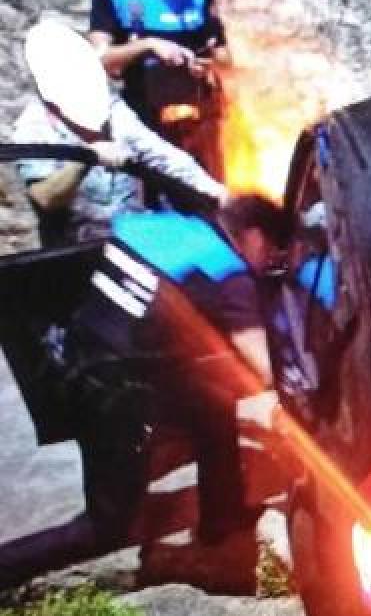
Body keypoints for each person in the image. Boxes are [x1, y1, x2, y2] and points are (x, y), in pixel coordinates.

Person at [0, 195, 283, 593]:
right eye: (271, 250)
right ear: (253, 236)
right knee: (105, 528)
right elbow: (264, 369)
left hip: (79, 353)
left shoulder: (157, 226)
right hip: (117, 392)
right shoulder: (227, 271)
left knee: (214, 405)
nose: (268, 261)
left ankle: (223, 521)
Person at [13, 19, 226, 247]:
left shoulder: (111, 109)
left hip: (133, 238)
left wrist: (217, 192)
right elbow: (44, 198)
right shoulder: (34, 126)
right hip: (79, 251)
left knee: (206, 247)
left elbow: (161, 155)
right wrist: (84, 161)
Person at [87, 0, 232, 178]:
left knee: (210, 200)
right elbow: (102, 61)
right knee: (154, 201)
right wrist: (149, 46)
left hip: (200, 121)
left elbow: (224, 56)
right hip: (144, 122)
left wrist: (208, 63)